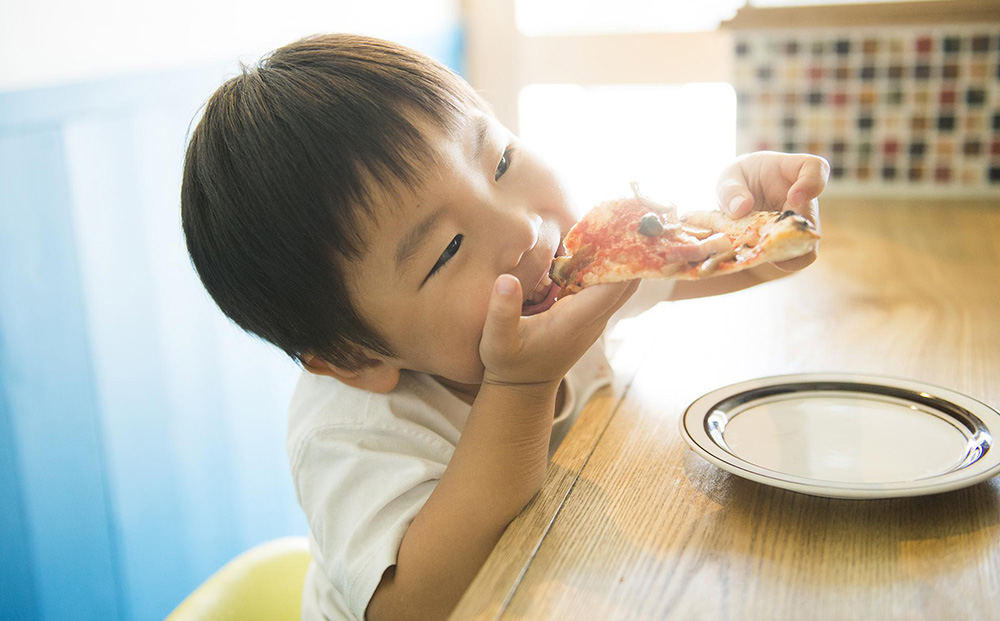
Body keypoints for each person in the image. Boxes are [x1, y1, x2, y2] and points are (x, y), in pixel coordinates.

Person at [181, 33, 828, 621]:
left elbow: (715, 263)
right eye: (447, 249)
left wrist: (763, 225)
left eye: (500, 162)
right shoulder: (347, 433)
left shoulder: (561, 276)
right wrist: (524, 384)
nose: (520, 228)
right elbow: (419, 607)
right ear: (354, 356)